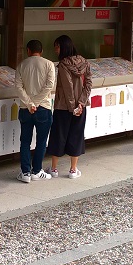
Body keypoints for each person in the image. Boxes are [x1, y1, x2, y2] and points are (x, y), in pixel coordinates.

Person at [47, 34, 92, 179]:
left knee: (58, 135)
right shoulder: (85, 62)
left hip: (63, 107)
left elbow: (67, 87)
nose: (55, 50)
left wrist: (73, 107)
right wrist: (81, 104)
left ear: (64, 47)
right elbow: (89, 84)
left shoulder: (63, 65)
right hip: (80, 107)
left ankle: (54, 169)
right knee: (76, 135)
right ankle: (73, 170)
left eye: (57, 46)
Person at [14, 40, 57, 183]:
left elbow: (19, 88)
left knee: (25, 141)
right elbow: (49, 85)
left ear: (28, 50)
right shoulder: (49, 64)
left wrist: (30, 103)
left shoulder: (21, 65)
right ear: (42, 51)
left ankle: (25, 172)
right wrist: (37, 103)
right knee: (41, 141)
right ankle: (37, 171)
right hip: (43, 108)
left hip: (26, 109)